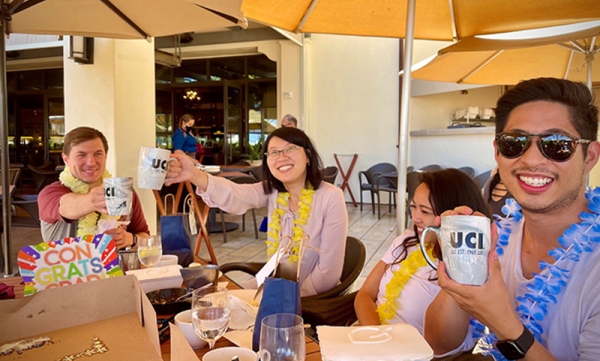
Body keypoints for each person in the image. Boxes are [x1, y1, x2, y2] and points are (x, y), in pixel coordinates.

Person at [424, 78, 600, 361]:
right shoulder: (498, 236)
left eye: (556, 144)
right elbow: (439, 345)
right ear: (497, 152)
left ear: (589, 156)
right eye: (514, 143)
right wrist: (462, 261)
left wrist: (507, 327)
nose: (531, 160)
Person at [166, 127, 348, 296]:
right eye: (274, 152)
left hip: (313, 297)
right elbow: (237, 195)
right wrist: (195, 175)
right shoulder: (273, 191)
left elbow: (328, 273)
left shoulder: (331, 196)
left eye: (290, 149)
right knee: (212, 298)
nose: (281, 157)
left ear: (308, 156)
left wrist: (284, 298)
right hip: (275, 284)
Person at [354, 169, 492, 335]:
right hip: (370, 337)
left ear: (451, 215)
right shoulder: (405, 241)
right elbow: (365, 294)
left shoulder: (466, 269)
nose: (415, 217)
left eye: (425, 211)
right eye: (413, 207)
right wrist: (375, 336)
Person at [39, 127, 150, 250]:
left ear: (106, 156)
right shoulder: (50, 193)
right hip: (66, 268)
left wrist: (130, 239)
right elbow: (65, 206)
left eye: (98, 154)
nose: (91, 162)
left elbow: (146, 238)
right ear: (66, 159)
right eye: (81, 155)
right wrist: (94, 201)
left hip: (117, 268)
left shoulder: (123, 192)